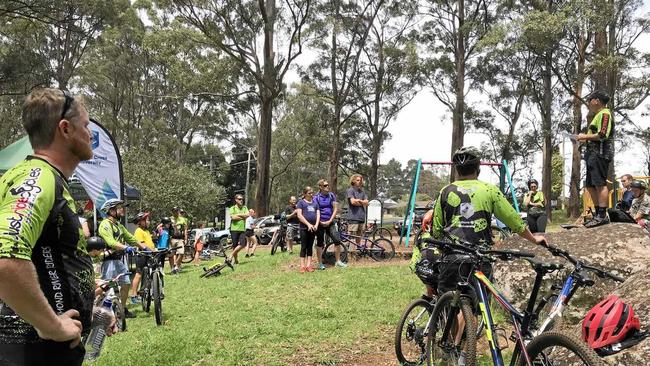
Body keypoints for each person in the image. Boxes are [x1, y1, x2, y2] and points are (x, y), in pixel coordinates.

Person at [0, 88, 98, 365]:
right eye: (86, 126)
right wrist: (52, 326)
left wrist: (87, 289)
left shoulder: (34, 177)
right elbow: (6, 259)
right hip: (36, 352)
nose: (91, 135)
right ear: (65, 129)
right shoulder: (39, 177)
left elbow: (47, 258)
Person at [431, 146, 547, 365]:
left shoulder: (445, 191)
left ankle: (452, 349)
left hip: (452, 258)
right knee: (475, 308)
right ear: (478, 168)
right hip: (479, 258)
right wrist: (534, 239)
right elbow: (514, 220)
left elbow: (437, 229)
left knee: (451, 304)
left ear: (457, 169)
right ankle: (465, 354)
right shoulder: (490, 190)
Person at [98, 198, 148, 318]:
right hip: (109, 261)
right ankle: (100, 311)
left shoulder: (118, 225)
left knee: (125, 284)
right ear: (111, 210)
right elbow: (110, 242)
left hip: (119, 260)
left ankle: (122, 310)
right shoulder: (105, 224)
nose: (123, 210)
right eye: (120, 207)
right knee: (107, 287)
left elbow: (130, 237)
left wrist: (143, 246)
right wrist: (126, 248)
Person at [577, 90, 614, 228]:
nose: (588, 103)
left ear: (596, 100)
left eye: (589, 100)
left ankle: (602, 215)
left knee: (599, 183)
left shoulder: (605, 113)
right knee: (590, 185)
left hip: (600, 153)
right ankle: (597, 213)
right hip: (592, 155)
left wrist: (585, 136)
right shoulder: (598, 115)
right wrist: (583, 140)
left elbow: (603, 134)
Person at [315, 179, 346, 269]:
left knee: (337, 239)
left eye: (328, 185)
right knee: (320, 243)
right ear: (320, 187)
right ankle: (320, 263)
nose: (327, 186)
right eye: (325, 185)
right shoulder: (316, 197)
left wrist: (330, 220)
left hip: (331, 222)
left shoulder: (331, 195)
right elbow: (315, 210)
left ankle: (338, 261)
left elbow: (335, 208)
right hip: (320, 223)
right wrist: (320, 221)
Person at [130, 212, 155, 303]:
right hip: (142, 255)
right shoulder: (138, 231)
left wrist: (154, 249)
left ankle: (143, 292)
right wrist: (150, 250)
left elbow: (150, 243)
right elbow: (142, 244)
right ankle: (133, 295)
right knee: (139, 274)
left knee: (147, 274)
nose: (149, 222)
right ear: (141, 221)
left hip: (149, 254)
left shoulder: (147, 231)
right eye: (147, 220)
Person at [296, 187, 320, 273]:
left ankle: (309, 265)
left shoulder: (315, 203)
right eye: (309, 193)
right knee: (304, 246)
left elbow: (318, 214)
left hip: (313, 228)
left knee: (310, 247)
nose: (311, 194)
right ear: (305, 194)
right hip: (304, 228)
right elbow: (299, 215)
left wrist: (316, 225)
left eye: (312, 193)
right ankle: (302, 266)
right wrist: (308, 224)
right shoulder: (301, 203)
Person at [346, 174, 369, 246]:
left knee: (359, 235)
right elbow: (352, 202)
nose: (359, 182)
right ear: (353, 181)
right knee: (351, 235)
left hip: (361, 217)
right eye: (358, 180)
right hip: (353, 217)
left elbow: (367, 202)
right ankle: (348, 250)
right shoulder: (350, 190)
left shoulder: (362, 192)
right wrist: (362, 202)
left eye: (360, 180)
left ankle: (357, 248)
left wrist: (359, 201)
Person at [228, 194, 249, 264]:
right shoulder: (232, 208)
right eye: (239, 199)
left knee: (243, 244)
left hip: (242, 229)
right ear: (236, 200)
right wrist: (242, 217)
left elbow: (247, 215)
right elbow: (233, 218)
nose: (241, 200)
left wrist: (238, 215)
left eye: (242, 199)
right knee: (235, 246)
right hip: (234, 229)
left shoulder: (245, 207)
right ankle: (236, 260)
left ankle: (231, 255)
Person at [169, 207, 188, 274]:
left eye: (177, 211)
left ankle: (176, 266)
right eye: (174, 211)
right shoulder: (170, 219)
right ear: (172, 212)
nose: (176, 212)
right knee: (171, 254)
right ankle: (172, 269)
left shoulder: (183, 219)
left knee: (181, 253)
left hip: (180, 239)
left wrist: (186, 238)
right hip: (172, 238)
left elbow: (185, 229)